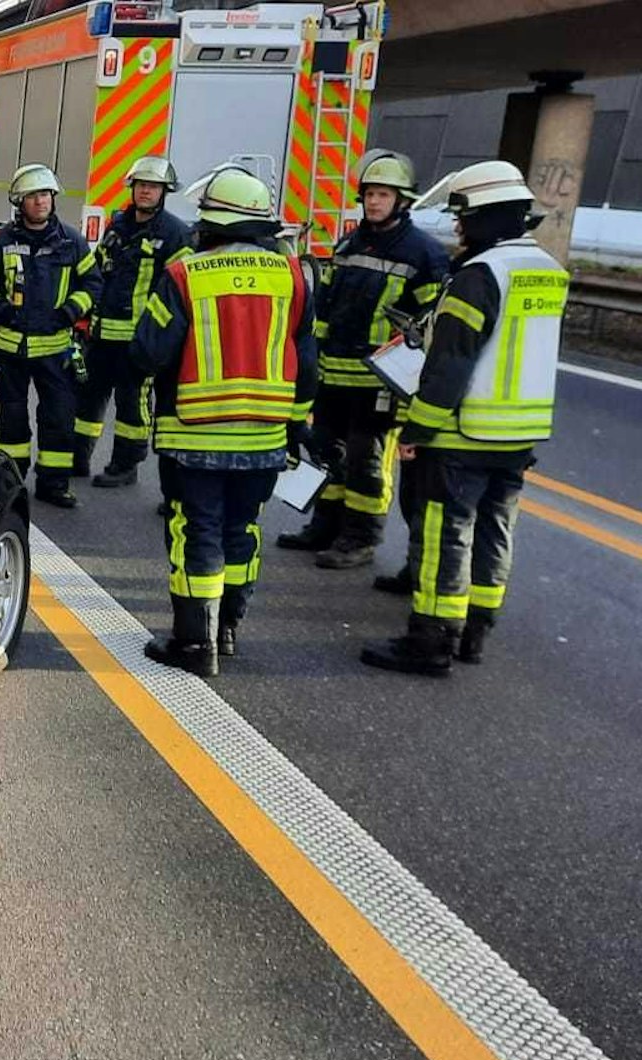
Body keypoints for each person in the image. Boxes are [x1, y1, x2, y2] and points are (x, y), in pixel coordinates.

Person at [361, 160, 567, 675]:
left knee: (444, 536)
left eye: (462, 218)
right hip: (519, 432)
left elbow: (450, 363)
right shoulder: (547, 270)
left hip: (462, 433)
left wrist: (418, 429)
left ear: (484, 217)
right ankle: (475, 632)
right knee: (496, 530)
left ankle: (430, 642)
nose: (457, 228)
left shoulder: (480, 275)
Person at [131, 166, 317, 676]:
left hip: (194, 434)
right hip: (266, 436)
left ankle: (195, 643)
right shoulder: (293, 275)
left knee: (197, 531)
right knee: (242, 530)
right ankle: (227, 630)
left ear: (211, 221)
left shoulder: (184, 274)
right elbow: (306, 361)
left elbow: (147, 352)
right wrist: (296, 426)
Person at [278, 150, 450, 569]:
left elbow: (430, 324)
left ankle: (360, 538)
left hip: (380, 383)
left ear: (402, 200)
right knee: (326, 451)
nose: (374, 202)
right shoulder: (349, 243)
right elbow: (326, 305)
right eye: (370, 194)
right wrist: (312, 358)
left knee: (366, 461)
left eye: (383, 195)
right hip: (334, 373)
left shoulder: (424, 254)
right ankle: (325, 526)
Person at [0, 163, 97, 507]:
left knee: (59, 419)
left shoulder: (72, 242)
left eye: (45, 194)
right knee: (12, 423)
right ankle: (11, 482)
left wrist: (71, 310)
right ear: (19, 202)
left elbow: (93, 283)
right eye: (32, 196)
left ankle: (53, 485)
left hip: (56, 350)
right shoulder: (4, 243)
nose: (40, 202)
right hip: (10, 350)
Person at [72, 155, 191, 488]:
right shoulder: (118, 227)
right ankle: (78, 457)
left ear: (164, 192)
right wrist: (84, 317)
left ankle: (125, 465)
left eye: (153, 186)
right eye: (141, 185)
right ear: (132, 188)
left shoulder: (175, 235)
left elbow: (178, 291)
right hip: (102, 335)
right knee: (89, 396)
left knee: (131, 404)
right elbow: (98, 272)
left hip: (139, 339)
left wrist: (158, 338)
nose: (146, 191)